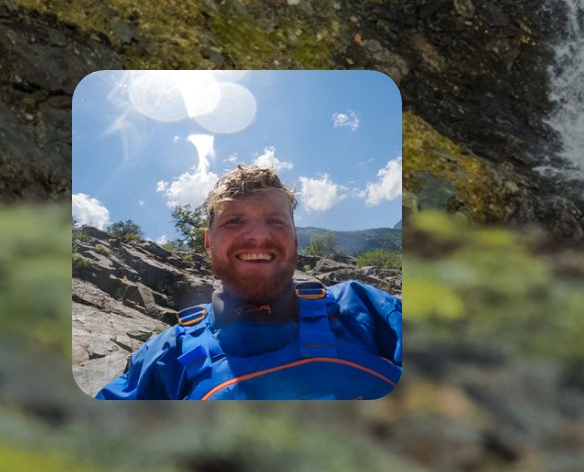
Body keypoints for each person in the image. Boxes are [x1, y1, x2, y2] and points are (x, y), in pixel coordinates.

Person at [94, 165, 402, 400]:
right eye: (234, 221)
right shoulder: (166, 354)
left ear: (295, 238)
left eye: (275, 221)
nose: (258, 236)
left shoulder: (368, 309)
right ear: (208, 241)